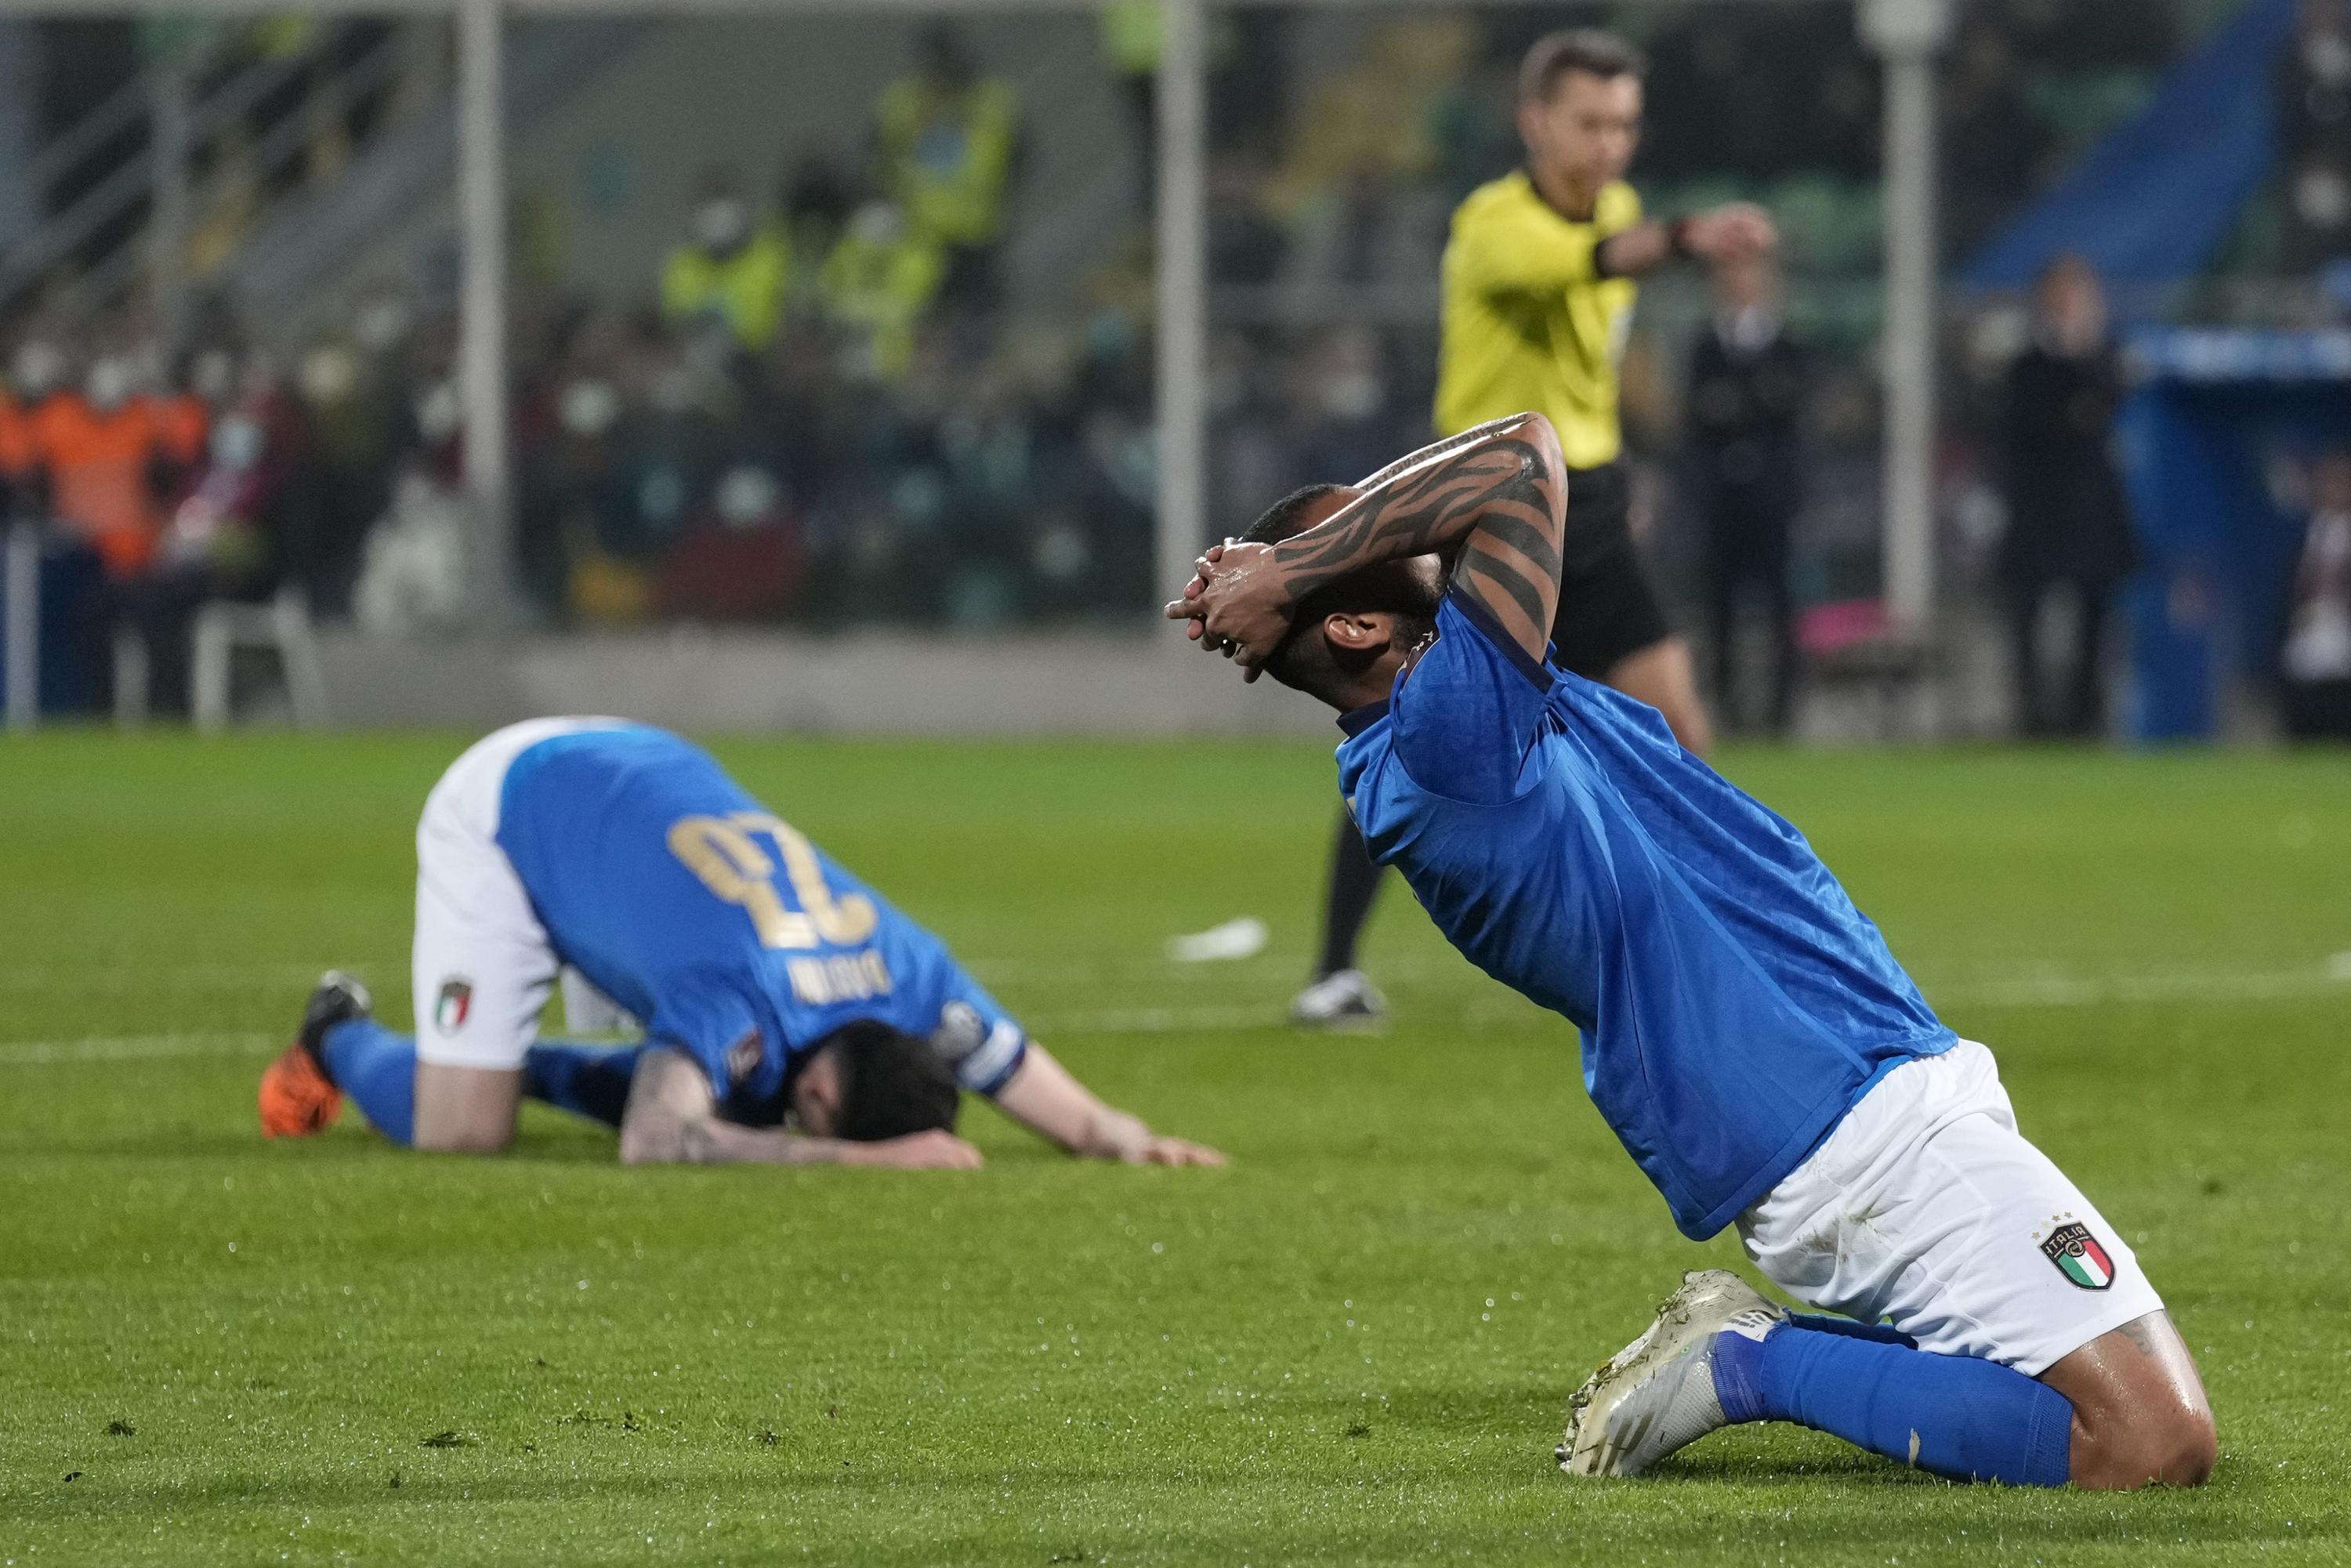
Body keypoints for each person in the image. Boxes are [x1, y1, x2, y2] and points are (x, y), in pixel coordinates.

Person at [1165, 411, 2215, 1490]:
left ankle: (1760, 1348)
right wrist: (1292, 565)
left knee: (2089, 1389)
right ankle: (1747, 1363)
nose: (1405, 518)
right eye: (1373, 530)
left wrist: (1294, 569)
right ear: (1351, 628)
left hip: (1857, 1097)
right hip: (1855, 1128)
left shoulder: (1458, 710)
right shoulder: (1446, 735)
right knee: (2148, 1443)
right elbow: (1521, 457)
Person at [1293, 28, 1775, 1030]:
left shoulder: (1626, 208)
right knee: (1415, 734)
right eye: (1590, 123)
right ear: (1534, 123)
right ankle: (1333, 969)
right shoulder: (1491, 223)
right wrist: (1689, 239)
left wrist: (1616, 467)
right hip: (1484, 516)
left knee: (1682, 737)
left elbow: (1592, 356)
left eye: (1626, 125)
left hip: (1589, 504)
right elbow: (1588, 264)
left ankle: (1722, 954)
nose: (1610, 146)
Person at [259, 719, 1223, 1170]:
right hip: (516, 801)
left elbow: (1011, 1067)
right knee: (464, 1131)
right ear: (817, 1093)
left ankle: (521, 1060)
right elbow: (655, 1140)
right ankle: (335, 1032)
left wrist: (1120, 1138)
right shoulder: (741, 994)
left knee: (708, 1085)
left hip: (648, 773)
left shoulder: (914, 973)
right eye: (810, 1122)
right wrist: (862, 1164)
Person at [1998, 255, 2137, 740]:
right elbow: (2036, 424)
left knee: (2094, 617)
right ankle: (2034, 719)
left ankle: (2085, 719)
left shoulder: (2105, 355)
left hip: (2091, 511)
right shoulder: (2025, 363)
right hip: (2038, 511)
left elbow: (2105, 404)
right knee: (2028, 617)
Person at [1687, 252, 1807, 736]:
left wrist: (1737, 406)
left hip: (1773, 498)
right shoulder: (1705, 347)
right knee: (1720, 607)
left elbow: (1791, 408)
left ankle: (1780, 713)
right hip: (1721, 497)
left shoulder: (1790, 346)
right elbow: (1697, 415)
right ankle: (1729, 711)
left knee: (1780, 603)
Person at [871, 24, 1020, 306]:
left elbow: (1017, 158)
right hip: (919, 238)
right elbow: (879, 160)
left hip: (977, 233)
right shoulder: (902, 104)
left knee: (980, 315)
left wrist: (1003, 203)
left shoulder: (991, 100)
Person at [661, 167, 792, 355]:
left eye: (723, 204)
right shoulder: (681, 266)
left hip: (763, 358)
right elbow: (673, 323)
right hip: (696, 363)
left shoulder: (772, 257)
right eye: (707, 206)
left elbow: (786, 314)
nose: (718, 217)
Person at [2281, 449, 2351, 741]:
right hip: (2310, 622)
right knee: (2306, 686)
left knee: (2339, 691)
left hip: (2341, 620)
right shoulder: (2310, 528)